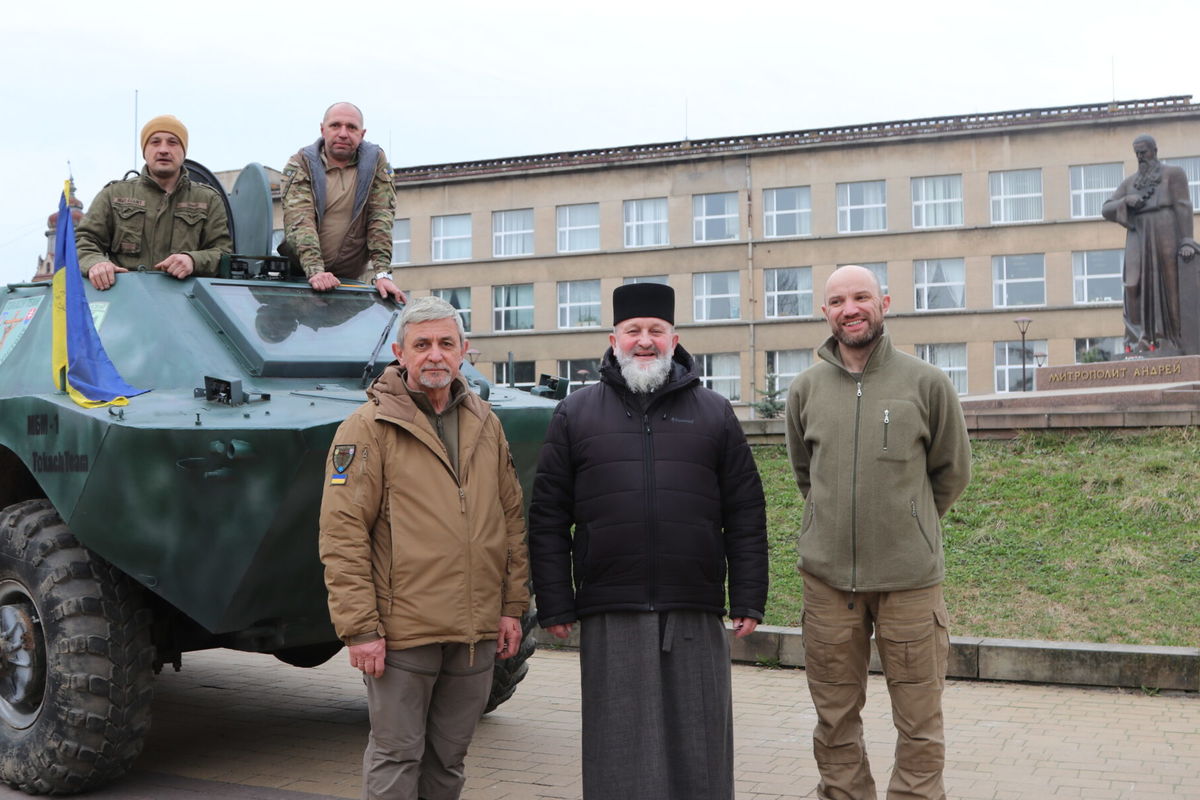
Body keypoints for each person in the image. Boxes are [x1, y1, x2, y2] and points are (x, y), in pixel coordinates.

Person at [529, 282, 768, 800]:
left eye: (655, 331)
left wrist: (748, 595)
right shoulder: (575, 414)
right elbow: (548, 516)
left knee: (700, 746)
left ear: (673, 338)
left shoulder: (714, 412)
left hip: (693, 605)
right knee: (620, 750)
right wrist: (555, 602)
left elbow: (745, 511)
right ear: (613, 338)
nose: (644, 341)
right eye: (633, 330)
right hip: (611, 607)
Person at [318, 295, 528, 800]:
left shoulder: (485, 422)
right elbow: (342, 535)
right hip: (401, 633)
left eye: (446, 343)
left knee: (448, 762)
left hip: (475, 632)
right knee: (396, 759)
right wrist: (360, 629)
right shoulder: (366, 428)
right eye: (422, 344)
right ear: (400, 352)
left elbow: (510, 520)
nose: (435, 355)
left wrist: (512, 608)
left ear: (464, 351)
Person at [785, 265, 972, 800]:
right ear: (825, 312)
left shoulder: (926, 383)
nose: (851, 308)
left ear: (884, 302)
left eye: (862, 296)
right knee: (834, 719)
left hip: (909, 584)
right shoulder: (805, 389)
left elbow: (951, 471)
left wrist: (909, 522)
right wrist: (835, 521)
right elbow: (806, 474)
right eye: (838, 300)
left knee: (918, 722)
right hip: (827, 587)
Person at [75, 115, 232, 291]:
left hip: (185, 303)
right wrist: (96, 263)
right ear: (145, 150)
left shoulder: (208, 199)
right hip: (125, 299)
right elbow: (83, 241)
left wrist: (193, 260)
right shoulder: (114, 195)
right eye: (155, 142)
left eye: (173, 142)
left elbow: (223, 254)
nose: (163, 149)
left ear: (183, 151)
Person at [282, 102, 405, 303]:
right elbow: (300, 220)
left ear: (362, 134)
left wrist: (382, 274)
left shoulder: (376, 163)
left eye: (351, 127)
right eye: (335, 125)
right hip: (302, 276)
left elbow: (380, 218)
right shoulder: (301, 163)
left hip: (352, 281)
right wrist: (316, 271)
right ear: (323, 129)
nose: (343, 133)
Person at [1102, 134, 1199, 355]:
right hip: (1138, 234)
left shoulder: (1173, 174)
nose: (1140, 157)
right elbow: (1106, 208)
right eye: (1136, 153)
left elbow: (1183, 206)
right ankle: (1140, 340)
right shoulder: (1130, 183)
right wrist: (1125, 201)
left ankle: (1173, 339)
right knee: (1133, 285)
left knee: (1169, 283)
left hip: (1166, 230)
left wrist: (1186, 241)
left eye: (1143, 152)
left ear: (1154, 151)